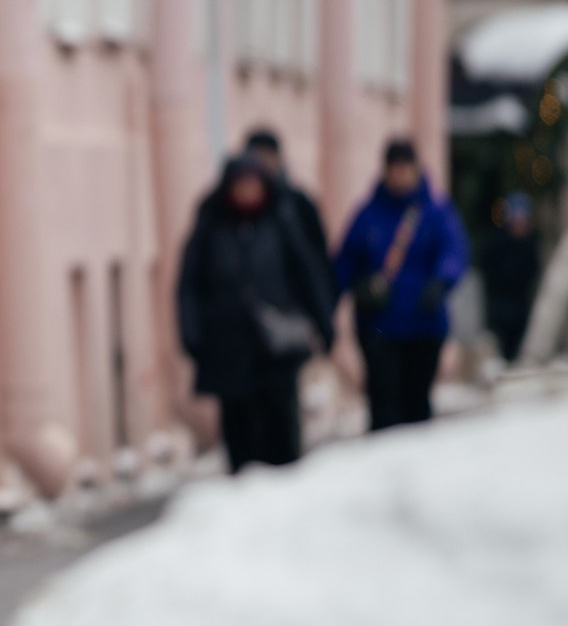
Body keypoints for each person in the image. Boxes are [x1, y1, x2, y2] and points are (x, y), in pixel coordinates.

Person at [177, 155, 334, 472]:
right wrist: (191, 334)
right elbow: (188, 285)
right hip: (228, 346)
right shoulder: (211, 227)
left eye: (254, 184)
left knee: (281, 430)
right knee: (239, 432)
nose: (248, 192)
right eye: (241, 185)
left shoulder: (280, 221)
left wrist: (324, 322)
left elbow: (306, 274)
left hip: (275, 348)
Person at [332, 138, 469, 431]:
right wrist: (357, 289)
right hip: (379, 325)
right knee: (384, 404)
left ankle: (418, 470)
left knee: (416, 402)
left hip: (423, 323)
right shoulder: (367, 215)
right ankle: (382, 470)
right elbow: (344, 263)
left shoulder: (434, 212)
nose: (399, 174)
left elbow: (454, 251)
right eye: (394, 168)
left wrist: (440, 281)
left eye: (405, 168)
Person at [242, 127, 330, 279]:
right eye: (257, 157)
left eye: (267, 156)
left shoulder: (299, 205)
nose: (263, 164)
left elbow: (317, 259)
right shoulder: (228, 207)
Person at [480, 190, 542, 363]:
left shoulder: (530, 244)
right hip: (499, 306)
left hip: (520, 305)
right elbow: (488, 271)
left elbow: (533, 272)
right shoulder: (496, 243)